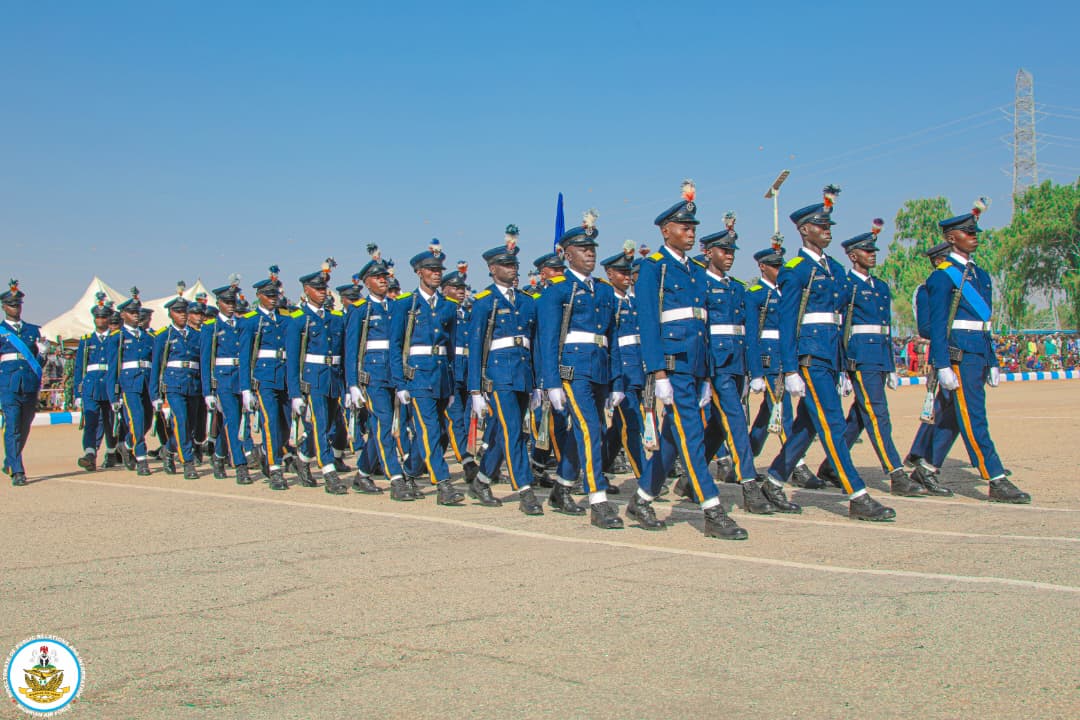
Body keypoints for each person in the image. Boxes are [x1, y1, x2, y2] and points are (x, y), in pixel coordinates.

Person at [766, 186, 896, 521]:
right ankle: (857, 493)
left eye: (829, 227)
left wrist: (844, 366)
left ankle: (773, 480)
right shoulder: (795, 269)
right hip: (809, 356)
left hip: (830, 356)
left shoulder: (835, 270)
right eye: (821, 227)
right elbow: (787, 321)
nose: (827, 231)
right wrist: (791, 368)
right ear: (804, 230)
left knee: (808, 426)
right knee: (833, 423)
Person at [630, 182, 747, 538]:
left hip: (696, 364)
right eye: (684, 228)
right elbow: (648, 321)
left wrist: (708, 374)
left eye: (693, 228)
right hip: (673, 362)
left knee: (672, 439)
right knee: (690, 433)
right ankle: (712, 509)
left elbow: (705, 325)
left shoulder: (696, 270)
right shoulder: (655, 268)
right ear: (666, 231)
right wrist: (658, 370)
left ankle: (641, 497)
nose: (691, 233)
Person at [926, 199, 1030, 503]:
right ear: (950, 238)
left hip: (979, 352)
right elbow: (937, 326)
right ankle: (995, 478)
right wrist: (942, 364)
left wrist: (994, 360)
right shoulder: (942, 276)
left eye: (975, 233)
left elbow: (985, 323)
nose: (974, 236)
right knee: (974, 416)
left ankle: (927, 467)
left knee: (952, 418)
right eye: (967, 233)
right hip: (959, 355)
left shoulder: (981, 275)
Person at [817, 221, 926, 496]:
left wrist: (889, 364)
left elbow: (885, 328)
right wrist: (843, 365)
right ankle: (895, 473)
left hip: (878, 355)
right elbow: (841, 325)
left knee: (860, 416)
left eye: (873, 250)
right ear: (853, 256)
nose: (872, 254)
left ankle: (831, 465)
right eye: (866, 251)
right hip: (859, 356)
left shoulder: (880, 286)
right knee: (878, 414)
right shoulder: (846, 284)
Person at [537, 210, 623, 528]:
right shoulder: (557, 290)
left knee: (588, 430)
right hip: (572, 368)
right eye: (583, 249)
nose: (590, 253)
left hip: (599, 367)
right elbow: (548, 339)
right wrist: (552, 382)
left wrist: (616, 380)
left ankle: (561, 487)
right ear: (567, 254)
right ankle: (597, 499)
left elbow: (610, 337)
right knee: (590, 429)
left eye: (592, 249)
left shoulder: (602, 290)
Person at [696, 217, 779, 514]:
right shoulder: (699, 285)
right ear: (709, 253)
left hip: (737, 363)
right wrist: (703, 374)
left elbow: (751, 335)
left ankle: (689, 479)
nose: (729, 256)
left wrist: (756, 371)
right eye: (724, 251)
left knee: (719, 427)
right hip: (715, 365)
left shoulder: (739, 289)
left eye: (732, 252)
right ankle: (749, 485)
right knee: (736, 422)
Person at [469, 228, 542, 514]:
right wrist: (475, 389)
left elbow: (532, 343)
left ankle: (482, 480)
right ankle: (525, 490)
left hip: (523, 374)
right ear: (492, 268)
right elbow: (477, 347)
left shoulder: (526, 301)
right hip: (498, 375)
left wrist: (538, 382)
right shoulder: (484, 302)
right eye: (507, 265)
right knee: (514, 431)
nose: (513, 270)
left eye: (515, 265)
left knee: (503, 431)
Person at [390, 240, 465, 505]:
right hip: (418, 376)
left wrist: (455, 385)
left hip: (442, 376)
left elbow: (453, 347)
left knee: (442, 433)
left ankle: (410, 471)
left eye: (439, 269)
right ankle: (443, 484)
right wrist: (400, 383)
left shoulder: (447, 306)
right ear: (419, 272)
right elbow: (396, 346)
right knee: (429, 429)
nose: (437, 273)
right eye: (431, 269)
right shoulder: (404, 305)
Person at [346, 247, 412, 498]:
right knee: (385, 423)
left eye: (385, 276)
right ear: (366, 282)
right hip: (371, 377)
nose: (383, 280)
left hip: (394, 374)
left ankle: (362, 474)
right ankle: (395, 477)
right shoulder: (360, 310)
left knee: (380, 427)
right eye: (377, 277)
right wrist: (352, 384)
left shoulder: (396, 308)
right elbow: (352, 349)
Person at [287, 260, 349, 494]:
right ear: (306, 291)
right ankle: (328, 471)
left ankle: (302, 458)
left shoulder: (334, 319)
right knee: (320, 426)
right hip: (312, 380)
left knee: (328, 425)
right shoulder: (298, 320)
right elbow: (293, 360)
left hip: (332, 378)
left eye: (324, 289)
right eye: (318, 289)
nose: (323, 293)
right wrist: (295, 393)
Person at [903, 242, 956, 496]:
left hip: (963, 353)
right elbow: (926, 327)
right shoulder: (926, 290)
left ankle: (919, 452)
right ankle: (924, 461)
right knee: (945, 410)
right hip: (945, 353)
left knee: (944, 409)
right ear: (938, 262)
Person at [599, 241, 646, 496]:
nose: (627, 277)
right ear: (609, 274)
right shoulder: (608, 302)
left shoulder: (632, 302)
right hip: (620, 374)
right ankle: (645, 476)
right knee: (632, 424)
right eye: (621, 273)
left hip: (636, 371)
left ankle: (598, 470)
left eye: (629, 273)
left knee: (618, 429)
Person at [239, 266, 292, 490]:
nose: (273, 300)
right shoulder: (250, 321)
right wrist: (245, 388)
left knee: (286, 425)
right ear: (259, 296)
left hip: (285, 377)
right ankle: (275, 467)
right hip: (264, 378)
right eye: (269, 296)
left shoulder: (286, 318)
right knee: (270, 423)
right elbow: (244, 357)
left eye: (276, 296)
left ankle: (265, 451)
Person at [201, 276, 253, 485]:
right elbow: (206, 361)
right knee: (234, 421)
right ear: (218, 304)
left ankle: (220, 456)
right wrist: (207, 391)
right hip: (223, 380)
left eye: (233, 303)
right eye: (227, 302)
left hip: (242, 378)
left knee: (237, 422)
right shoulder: (210, 328)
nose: (231, 306)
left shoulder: (243, 325)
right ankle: (241, 465)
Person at [150, 287, 202, 479]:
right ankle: (187, 462)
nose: (182, 315)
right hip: (174, 385)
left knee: (190, 426)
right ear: (171, 314)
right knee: (180, 421)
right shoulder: (164, 336)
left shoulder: (197, 335)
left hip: (194, 385)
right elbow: (156, 366)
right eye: (178, 312)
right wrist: (155, 394)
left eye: (184, 312)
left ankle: (169, 451)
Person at [0, 280, 46, 486]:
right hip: (8, 385)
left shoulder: (32, 331)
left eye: (18, 304)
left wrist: (43, 354)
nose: (15, 308)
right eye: (11, 305)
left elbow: (38, 363)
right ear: (4, 307)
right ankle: (18, 469)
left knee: (24, 425)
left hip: (29, 384)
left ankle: (10, 460)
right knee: (12, 426)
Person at [106, 288, 155, 476]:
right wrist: (114, 395)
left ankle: (126, 444)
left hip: (146, 382)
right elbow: (113, 368)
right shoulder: (117, 337)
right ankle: (141, 459)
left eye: (137, 313)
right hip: (129, 384)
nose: (136, 316)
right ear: (123, 314)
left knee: (147, 421)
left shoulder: (147, 337)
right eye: (132, 313)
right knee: (136, 419)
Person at [440, 263, 480, 489]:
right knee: (455, 419)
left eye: (462, 288)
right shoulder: (444, 311)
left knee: (464, 419)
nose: (461, 291)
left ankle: (414, 467)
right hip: (450, 371)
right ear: (445, 289)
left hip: (466, 371)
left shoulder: (467, 312)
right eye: (455, 288)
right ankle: (467, 462)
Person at [73, 293, 118, 472]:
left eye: (104, 317)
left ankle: (112, 451)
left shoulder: (116, 338)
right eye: (98, 317)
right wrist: (77, 392)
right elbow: (79, 368)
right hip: (91, 386)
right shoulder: (86, 341)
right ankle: (90, 453)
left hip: (108, 384)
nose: (100, 320)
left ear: (108, 319)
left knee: (110, 421)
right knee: (91, 421)